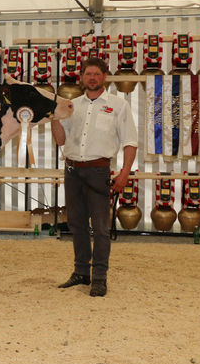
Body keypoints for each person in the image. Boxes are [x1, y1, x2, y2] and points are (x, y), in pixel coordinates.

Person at [51, 57, 137, 297]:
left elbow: (130, 142)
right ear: (81, 78)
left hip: (99, 171)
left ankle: (99, 276)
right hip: (72, 170)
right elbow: (60, 140)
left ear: (104, 78)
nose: (92, 78)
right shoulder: (72, 105)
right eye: (88, 74)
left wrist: (125, 173)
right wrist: (53, 118)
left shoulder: (119, 106)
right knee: (76, 224)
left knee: (100, 228)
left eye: (96, 74)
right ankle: (81, 272)